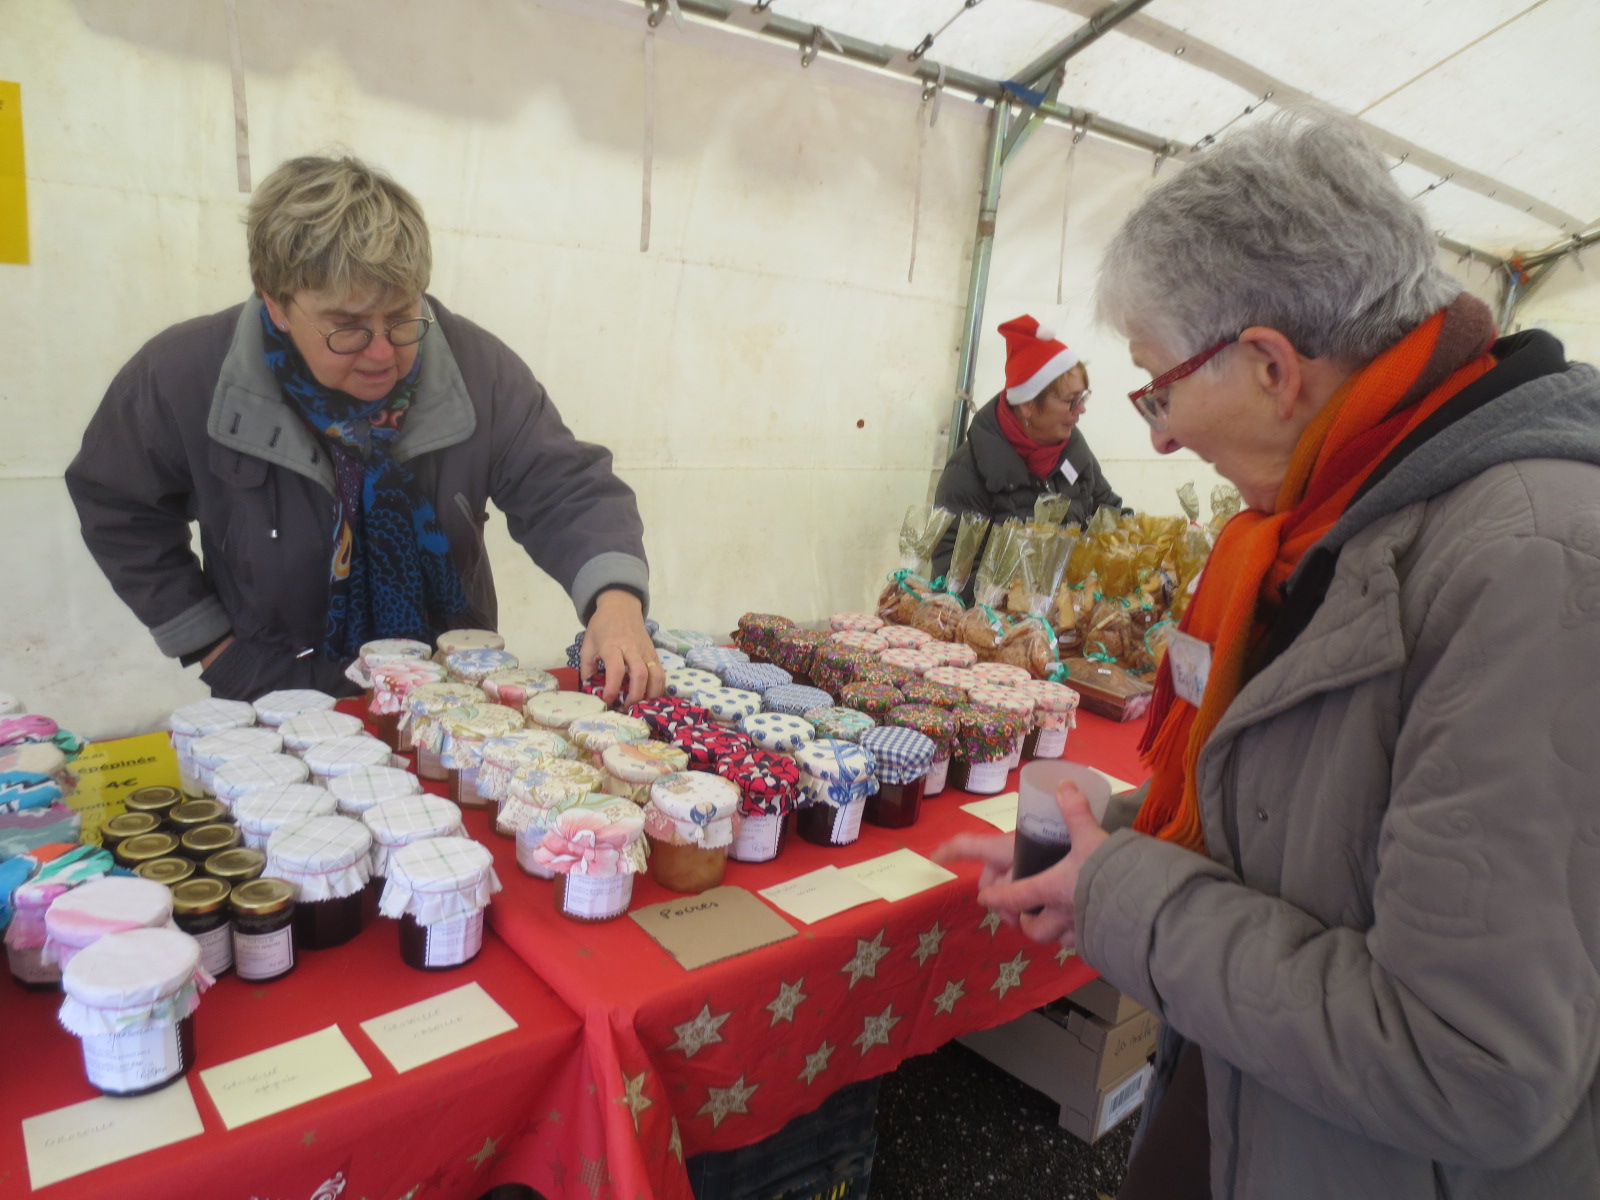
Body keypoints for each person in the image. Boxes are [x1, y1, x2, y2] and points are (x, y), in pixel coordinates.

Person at [936, 110, 1600, 1200]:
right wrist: (1113, 838)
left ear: (1271, 366)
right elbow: (1325, 832)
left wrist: (1124, 891)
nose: (1156, 435)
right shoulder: (1338, 518)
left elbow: (1469, 1065)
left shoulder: (1534, 568)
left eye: (1157, 388)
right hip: (1264, 1109)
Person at [66, 155, 661, 706]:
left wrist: (614, 601)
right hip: (276, 689)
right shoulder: (181, 376)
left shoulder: (479, 370)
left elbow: (563, 486)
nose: (381, 353)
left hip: (449, 695)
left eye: (401, 317)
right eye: (346, 327)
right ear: (276, 303)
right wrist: (210, 644)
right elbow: (118, 505)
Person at [930, 316, 1122, 582]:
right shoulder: (966, 474)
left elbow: (1108, 514)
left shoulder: (1074, 452)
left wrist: (1133, 546)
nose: (1081, 410)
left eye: (1083, 397)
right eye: (1071, 400)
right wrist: (1026, 598)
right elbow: (953, 576)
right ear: (1028, 405)